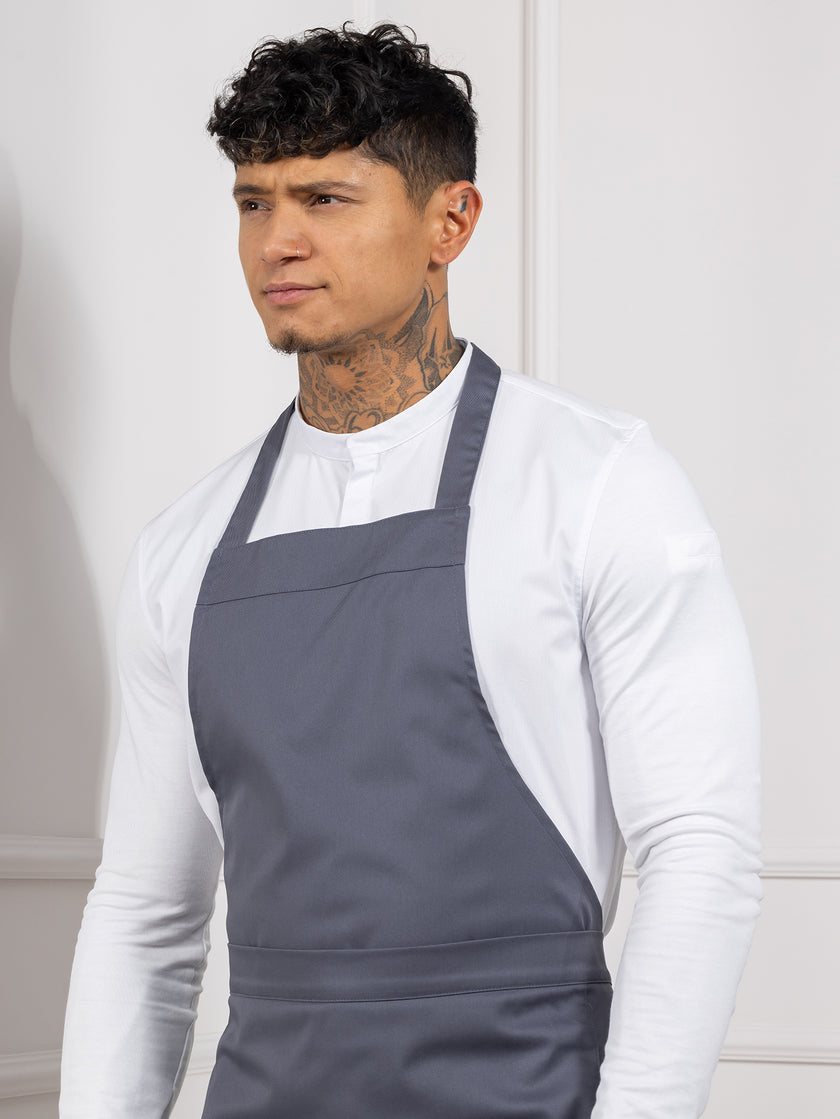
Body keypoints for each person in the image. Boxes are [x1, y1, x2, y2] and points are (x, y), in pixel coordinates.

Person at [59, 22, 761, 1119]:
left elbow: (699, 854)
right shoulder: (182, 549)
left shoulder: (597, 485)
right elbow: (145, 911)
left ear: (451, 220)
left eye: (324, 199)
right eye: (254, 203)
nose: (278, 242)